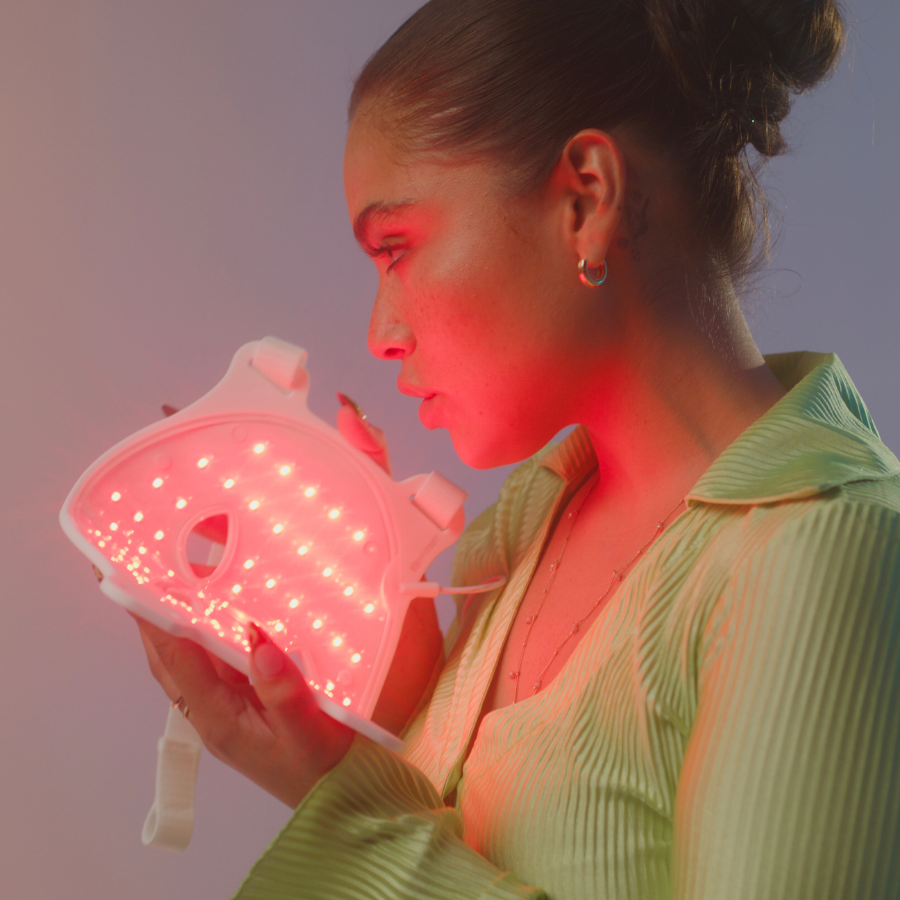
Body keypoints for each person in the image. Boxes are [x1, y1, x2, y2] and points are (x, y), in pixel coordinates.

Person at [134, 1, 900, 897]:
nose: (380, 332)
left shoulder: (830, 557)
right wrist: (402, 702)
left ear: (585, 198)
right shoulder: (526, 526)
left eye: (396, 248)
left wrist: (339, 802)